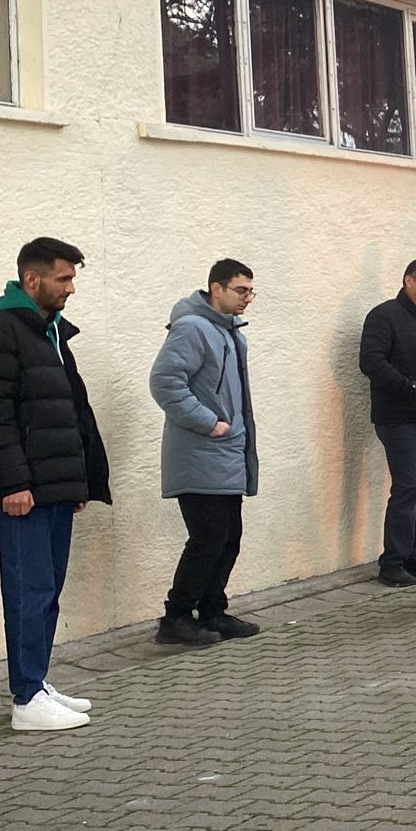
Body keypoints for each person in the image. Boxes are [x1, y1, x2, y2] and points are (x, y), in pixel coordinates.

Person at [0, 238, 109, 732]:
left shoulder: (50, 333)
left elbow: (68, 412)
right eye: (63, 279)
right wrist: (13, 483)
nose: (70, 288)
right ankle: (25, 697)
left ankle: (38, 681)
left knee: (47, 592)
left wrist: (80, 480)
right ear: (32, 280)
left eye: (72, 279)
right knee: (28, 590)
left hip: (55, 488)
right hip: (24, 493)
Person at [150, 259, 262, 648]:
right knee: (208, 536)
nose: (248, 298)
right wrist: (207, 421)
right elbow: (165, 382)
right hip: (200, 454)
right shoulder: (192, 328)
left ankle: (213, 609)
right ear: (216, 288)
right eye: (240, 290)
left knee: (229, 534)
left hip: (226, 453)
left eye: (251, 290)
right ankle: (176, 616)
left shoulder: (231, 334)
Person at [359, 259, 416, 588]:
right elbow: (371, 360)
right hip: (399, 418)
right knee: (408, 488)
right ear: (408, 281)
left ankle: (414, 556)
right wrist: (407, 387)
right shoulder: (385, 316)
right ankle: (393, 562)